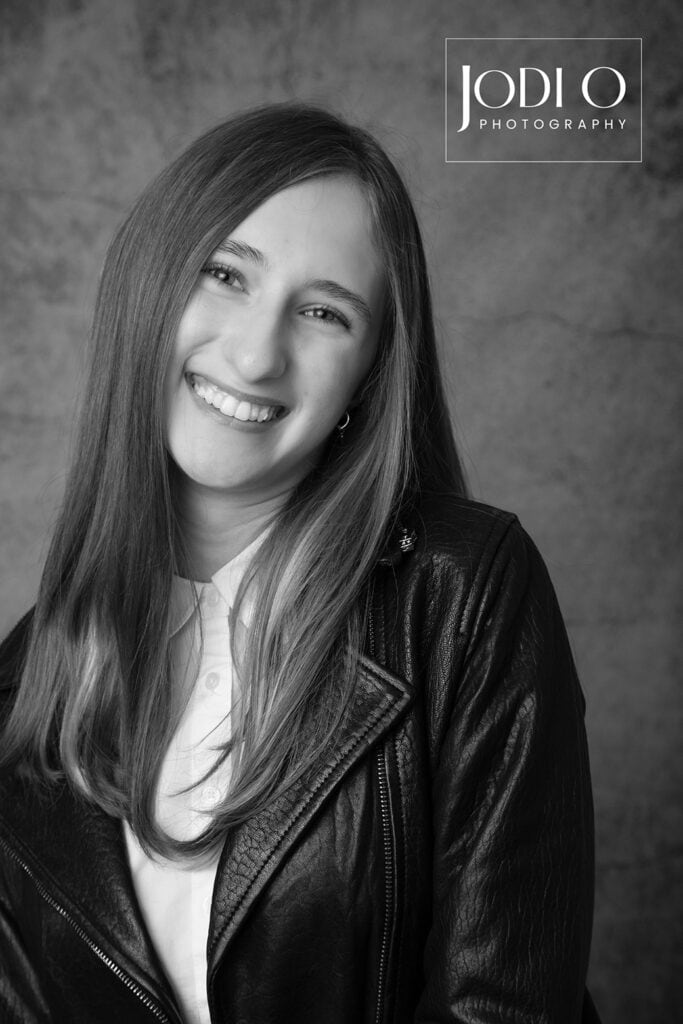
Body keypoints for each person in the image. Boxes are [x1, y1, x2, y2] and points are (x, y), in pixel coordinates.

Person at [0, 103, 599, 1023]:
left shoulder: (463, 593)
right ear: (148, 287)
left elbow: (504, 1006)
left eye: (324, 312)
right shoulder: (23, 683)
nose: (254, 355)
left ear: (369, 373)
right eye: (224, 274)